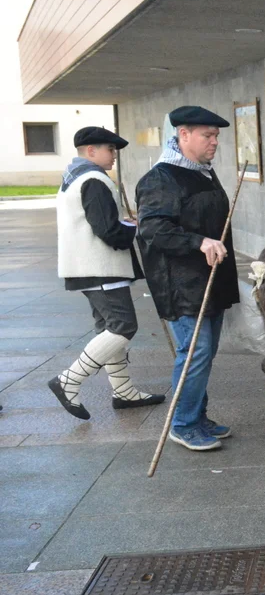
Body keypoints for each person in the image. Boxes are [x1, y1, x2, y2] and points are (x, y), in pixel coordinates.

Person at [136, 106, 239, 452]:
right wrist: (199, 242)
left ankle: (197, 415)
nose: (214, 142)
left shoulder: (203, 173)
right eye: (207, 135)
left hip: (210, 279)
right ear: (183, 134)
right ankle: (183, 424)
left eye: (216, 136)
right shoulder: (161, 178)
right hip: (181, 284)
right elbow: (153, 229)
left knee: (204, 353)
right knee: (195, 351)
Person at [47, 127, 166, 418]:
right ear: (91, 151)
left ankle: (123, 391)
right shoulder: (94, 179)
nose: (114, 155)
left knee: (109, 328)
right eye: (109, 149)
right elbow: (107, 230)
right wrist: (133, 228)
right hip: (100, 267)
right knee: (123, 327)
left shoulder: (74, 177)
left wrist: (123, 223)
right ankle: (68, 380)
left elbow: (96, 222)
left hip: (87, 267)